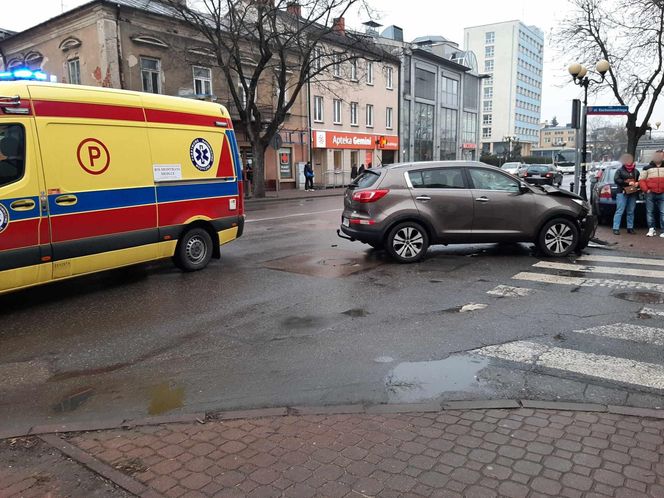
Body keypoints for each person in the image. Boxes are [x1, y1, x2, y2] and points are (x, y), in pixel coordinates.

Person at [612, 153, 640, 235]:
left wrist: (637, 184)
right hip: (622, 192)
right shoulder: (619, 171)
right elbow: (616, 180)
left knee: (631, 211)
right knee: (620, 210)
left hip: (632, 192)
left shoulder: (636, 171)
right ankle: (616, 228)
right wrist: (627, 183)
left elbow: (639, 180)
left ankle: (630, 227)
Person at [640, 150, 664, 237]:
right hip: (650, 193)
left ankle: (663, 231)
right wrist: (646, 190)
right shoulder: (647, 167)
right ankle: (651, 229)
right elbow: (641, 180)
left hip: (662, 193)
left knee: (663, 212)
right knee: (650, 212)